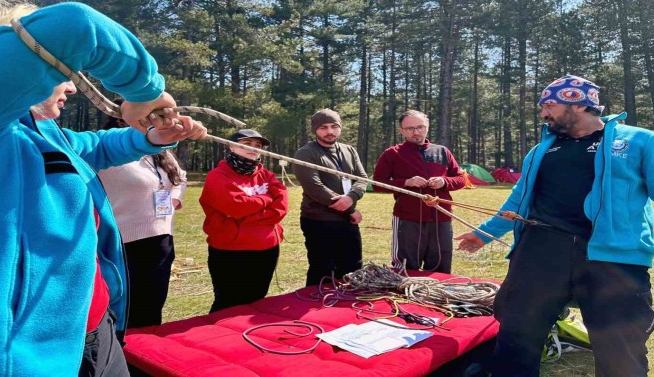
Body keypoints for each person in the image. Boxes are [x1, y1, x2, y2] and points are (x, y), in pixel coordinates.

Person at [0, 0, 207, 376]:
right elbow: (74, 25)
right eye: (60, 71)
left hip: (94, 331)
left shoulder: (39, 130)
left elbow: (94, 147)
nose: (70, 85)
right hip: (17, 362)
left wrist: (151, 137)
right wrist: (146, 90)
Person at [455, 75, 654, 377]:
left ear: (578, 103)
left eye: (550, 105)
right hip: (538, 255)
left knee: (621, 355)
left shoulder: (641, 141)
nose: (544, 113)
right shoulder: (541, 150)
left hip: (613, 261)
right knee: (515, 341)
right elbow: (517, 202)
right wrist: (483, 234)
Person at [98, 115, 188, 328]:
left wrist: (174, 198)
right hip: (124, 243)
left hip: (161, 240)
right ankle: (122, 358)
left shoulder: (159, 148)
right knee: (124, 311)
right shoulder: (109, 149)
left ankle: (146, 356)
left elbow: (180, 176)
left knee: (152, 307)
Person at [199, 129, 287, 312]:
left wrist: (245, 215)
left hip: (266, 250)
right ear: (231, 146)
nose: (253, 149)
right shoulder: (218, 175)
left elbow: (281, 208)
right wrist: (266, 199)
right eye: (247, 144)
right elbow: (236, 206)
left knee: (256, 302)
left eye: (257, 146)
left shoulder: (267, 175)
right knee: (228, 304)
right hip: (231, 252)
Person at [373, 109, 467, 273]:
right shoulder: (392, 154)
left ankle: (436, 297)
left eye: (420, 127)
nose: (416, 132)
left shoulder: (442, 151)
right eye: (410, 128)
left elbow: (461, 179)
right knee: (405, 267)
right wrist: (406, 182)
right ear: (401, 130)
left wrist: (444, 182)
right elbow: (377, 184)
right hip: (408, 219)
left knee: (440, 267)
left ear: (427, 127)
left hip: (441, 217)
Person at [293, 109, 368, 286]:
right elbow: (315, 188)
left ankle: (345, 310)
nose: (330, 131)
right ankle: (315, 310)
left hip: (347, 221)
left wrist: (352, 197)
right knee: (323, 270)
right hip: (319, 220)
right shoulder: (306, 153)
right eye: (324, 127)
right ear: (315, 130)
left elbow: (362, 178)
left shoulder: (349, 150)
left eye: (334, 126)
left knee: (353, 267)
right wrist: (350, 208)